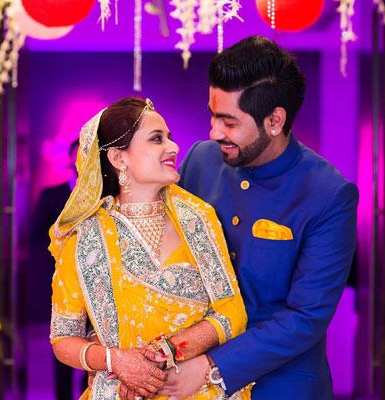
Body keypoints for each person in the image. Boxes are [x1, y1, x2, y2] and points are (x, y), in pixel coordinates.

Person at [164, 36, 359, 399]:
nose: (214, 132)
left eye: (229, 122)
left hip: (281, 385)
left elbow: (306, 317)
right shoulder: (201, 161)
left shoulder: (329, 194)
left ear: (274, 121)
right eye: (212, 115)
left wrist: (212, 368)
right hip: (189, 378)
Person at [48, 97, 250, 400]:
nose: (173, 147)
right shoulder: (86, 237)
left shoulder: (197, 219)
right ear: (118, 158)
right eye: (157, 139)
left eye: (169, 137)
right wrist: (116, 361)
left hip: (194, 389)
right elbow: (64, 338)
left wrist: (165, 353)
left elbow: (232, 311)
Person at [31, 139, 88, 399]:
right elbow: (36, 238)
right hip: (61, 283)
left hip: (94, 285)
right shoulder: (51, 196)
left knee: (94, 343)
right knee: (64, 342)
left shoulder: (103, 198)